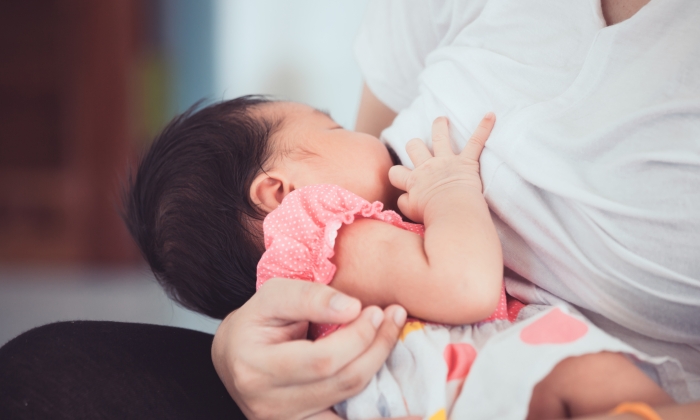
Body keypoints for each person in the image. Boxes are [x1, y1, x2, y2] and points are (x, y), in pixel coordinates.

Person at [212, 0, 700, 418]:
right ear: (277, 192)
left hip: (487, 374)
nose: (363, 135)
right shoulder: (315, 222)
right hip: (471, 379)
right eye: (334, 128)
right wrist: (451, 194)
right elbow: (463, 286)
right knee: (591, 377)